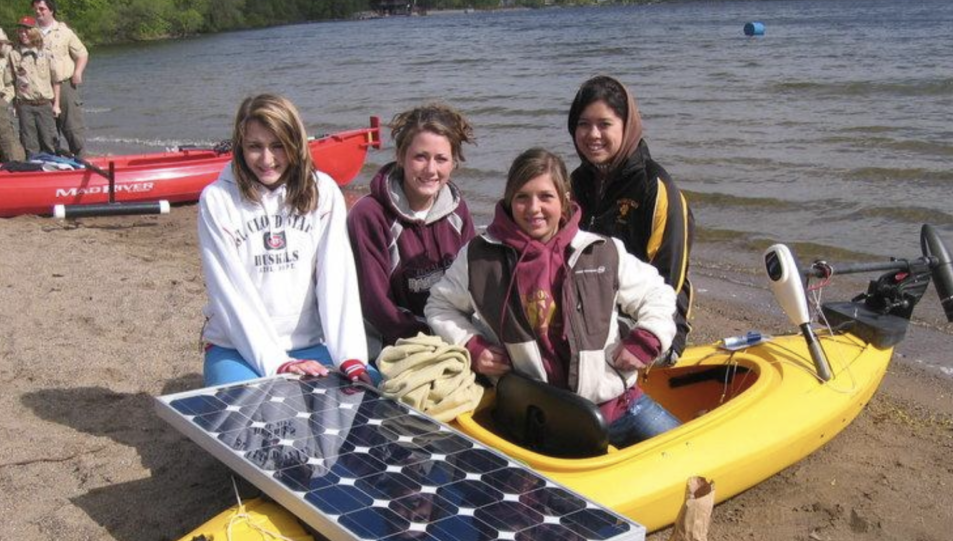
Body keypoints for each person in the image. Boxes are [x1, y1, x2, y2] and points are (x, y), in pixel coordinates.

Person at [425, 148, 681, 449]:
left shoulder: (601, 250)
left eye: (546, 196)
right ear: (509, 200)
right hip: (539, 417)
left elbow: (657, 293)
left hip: (617, 407)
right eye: (522, 197)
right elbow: (440, 305)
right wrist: (473, 345)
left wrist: (646, 339)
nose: (533, 208)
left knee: (694, 457)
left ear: (563, 200)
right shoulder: (479, 258)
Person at [197, 93, 371, 388]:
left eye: (278, 145)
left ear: (295, 144)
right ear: (240, 147)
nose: (267, 159)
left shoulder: (324, 191)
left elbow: (337, 278)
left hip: (311, 344)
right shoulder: (217, 200)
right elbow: (230, 293)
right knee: (255, 415)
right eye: (255, 147)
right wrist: (279, 363)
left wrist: (350, 356)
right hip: (236, 348)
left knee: (368, 399)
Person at [568, 75, 696, 362]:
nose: (593, 135)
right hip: (592, 312)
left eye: (604, 124)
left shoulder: (655, 187)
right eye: (583, 124)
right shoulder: (577, 183)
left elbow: (667, 283)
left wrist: (641, 334)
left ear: (626, 127)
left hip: (652, 321)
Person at [347, 104, 475, 359]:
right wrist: (435, 340)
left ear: (454, 163)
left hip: (450, 336)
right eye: (420, 157)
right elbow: (377, 305)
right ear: (400, 156)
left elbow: (473, 284)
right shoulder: (369, 215)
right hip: (393, 345)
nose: (430, 169)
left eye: (441, 159)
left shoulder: (456, 209)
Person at [31, 0, 88, 157]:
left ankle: (82, 162)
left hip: (64, 85)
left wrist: (78, 72)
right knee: (47, 131)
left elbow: (82, 54)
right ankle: (52, 164)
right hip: (41, 88)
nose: (38, 12)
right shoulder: (30, 33)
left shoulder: (64, 32)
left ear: (51, 10)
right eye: (35, 9)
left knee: (72, 128)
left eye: (42, 8)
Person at [10, 16, 60, 157]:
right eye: (20, 31)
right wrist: (15, 105)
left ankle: (53, 168)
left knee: (49, 140)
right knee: (29, 143)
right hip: (25, 105)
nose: (23, 34)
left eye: (27, 31)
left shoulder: (46, 53)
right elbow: (13, 81)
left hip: (44, 104)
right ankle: (34, 169)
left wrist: (56, 104)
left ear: (34, 32)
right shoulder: (14, 54)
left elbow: (56, 80)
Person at [0, 29, 27, 162]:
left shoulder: (4, 61)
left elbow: (10, 85)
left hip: (0, 101)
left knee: (6, 136)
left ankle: (16, 164)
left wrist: (4, 101)